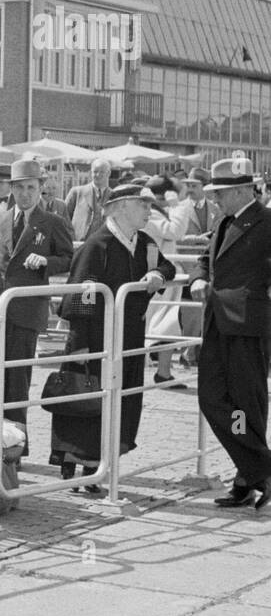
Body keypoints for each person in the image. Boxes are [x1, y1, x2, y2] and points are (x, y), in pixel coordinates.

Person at [50, 184, 176, 492]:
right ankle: (80, 466)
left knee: (123, 400)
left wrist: (157, 274)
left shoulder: (143, 242)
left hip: (130, 336)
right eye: (142, 205)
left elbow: (167, 265)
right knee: (88, 399)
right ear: (120, 207)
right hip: (95, 338)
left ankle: (103, 461)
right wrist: (84, 348)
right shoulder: (98, 245)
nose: (149, 211)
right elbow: (81, 299)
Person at [187, 156, 271, 509]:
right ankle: (259, 470)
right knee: (213, 398)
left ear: (240, 191)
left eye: (220, 193)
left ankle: (246, 476)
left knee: (245, 405)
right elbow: (207, 258)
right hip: (219, 322)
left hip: (248, 325)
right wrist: (199, 277)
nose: (215, 200)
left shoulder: (266, 222)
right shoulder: (225, 220)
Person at [0, 158, 74, 453]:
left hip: (25, 309)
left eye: (31, 188)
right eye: (20, 188)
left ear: (41, 189)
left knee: (16, 380)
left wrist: (46, 262)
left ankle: (15, 446)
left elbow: (69, 258)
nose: (26, 194)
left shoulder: (53, 222)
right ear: (11, 189)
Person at [142, 175, 186, 389]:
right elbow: (175, 231)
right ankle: (161, 372)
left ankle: (163, 372)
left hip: (163, 277)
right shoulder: (150, 214)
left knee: (168, 324)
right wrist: (176, 205)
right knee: (162, 325)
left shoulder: (154, 213)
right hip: (158, 277)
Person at [65, 158, 113, 240]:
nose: (98, 175)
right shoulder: (76, 192)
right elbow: (63, 217)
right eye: (95, 171)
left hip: (104, 244)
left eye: (102, 172)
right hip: (78, 243)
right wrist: (70, 236)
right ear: (91, 173)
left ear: (108, 173)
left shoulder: (114, 195)